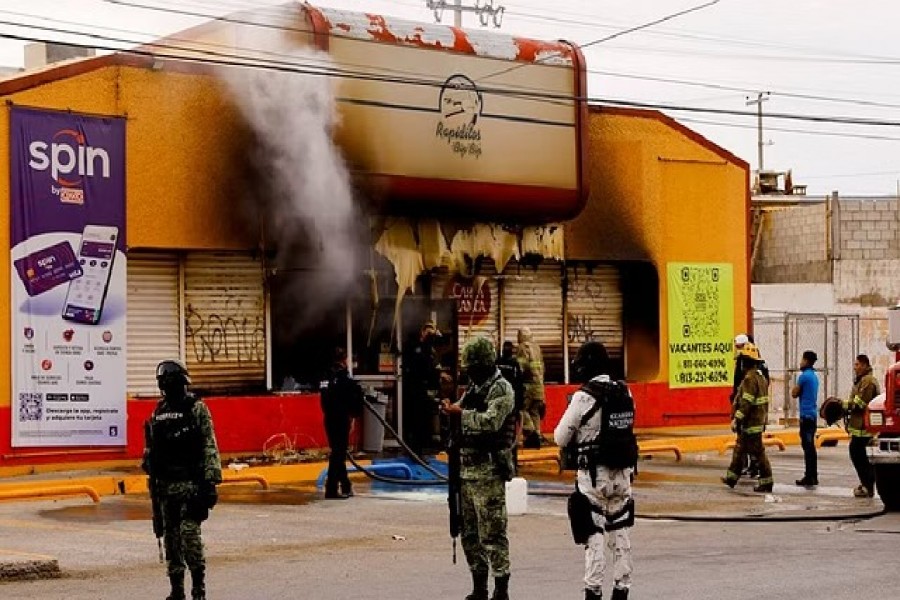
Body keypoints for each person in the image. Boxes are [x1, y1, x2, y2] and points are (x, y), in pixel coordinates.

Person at [554, 341, 636, 600]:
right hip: (623, 473)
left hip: (594, 476)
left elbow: (560, 437)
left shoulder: (583, 396)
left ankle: (594, 591)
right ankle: (622, 588)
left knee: (594, 535)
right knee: (621, 532)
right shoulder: (625, 392)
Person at [441, 337, 516, 600]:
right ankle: (479, 587)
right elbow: (460, 410)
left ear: (485, 364)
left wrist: (460, 415)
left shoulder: (501, 388)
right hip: (466, 470)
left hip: (489, 470)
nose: (469, 372)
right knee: (469, 533)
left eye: (472, 367)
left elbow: (492, 421)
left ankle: (501, 590)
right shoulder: (474, 387)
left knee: (493, 533)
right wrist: (451, 409)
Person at [143, 360, 221, 600]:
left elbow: (209, 445)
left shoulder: (196, 408)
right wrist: (149, 462)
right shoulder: (159, 411)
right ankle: (176, 590)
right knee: (171, 541)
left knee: (189, 537)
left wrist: (210, 483)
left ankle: (199, 589)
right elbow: (152, 449)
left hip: (190, 485)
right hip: (166, 487)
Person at [722, 343, 774, 493]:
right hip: (756, 421)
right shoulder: (760, 378)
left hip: (750, 423)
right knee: (739, 450)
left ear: (746, 362)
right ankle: (731, 478)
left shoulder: (750, 379)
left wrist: (737, 419)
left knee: (758, 453)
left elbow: (746, 402)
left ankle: (767, 482)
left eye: (742, 361)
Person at [321, 347, 364, 499]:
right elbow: (353, 399)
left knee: (338, 453)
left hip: (329, 419)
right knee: (338, 454)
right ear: (344, 360)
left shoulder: (326, 377)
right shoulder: (344, 378)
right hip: (341, 419)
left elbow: (324, 400)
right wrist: (353, 415)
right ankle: (331, 489)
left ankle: (345, 485)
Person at [402, 320, 443, 456]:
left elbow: (432, 364)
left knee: (425, 422)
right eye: (427, 329)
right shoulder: (415, 346)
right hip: (414, 390)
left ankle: (422, 449)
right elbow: (420, 366)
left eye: (431, 329)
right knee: (416, 422)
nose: (429, 332)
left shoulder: (430, 347)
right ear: (422, 331)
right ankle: (415, 451)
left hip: (426, 390)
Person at [844, 354, 878, 498]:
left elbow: (860, 404)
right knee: (858, 455)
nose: (855, 367)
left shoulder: (868, 381)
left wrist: (842, 405)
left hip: (864, 428)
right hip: (859, 427)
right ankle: (866, 484)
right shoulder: (862, 380)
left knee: (860, 456)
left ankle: (868, 485)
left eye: (857, 364)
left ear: (864, 365)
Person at [792, 350, 820, 487]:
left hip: (805, 416)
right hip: (813, 415)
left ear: (806, 361)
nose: (800, 362)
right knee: (811, 447)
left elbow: (794, 393)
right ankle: (813, 475)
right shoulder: (814, 376)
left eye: (802, 359)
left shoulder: (803, 377)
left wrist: (796, 387)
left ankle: (809, 476)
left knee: (807, 447)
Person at [516, 327, 546, 449]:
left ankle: (531, 432)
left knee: (522, 409)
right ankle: (537, 436)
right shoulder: (537, 348)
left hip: (528, 386)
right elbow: (542, 368)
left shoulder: (523, 348)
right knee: (535, 411)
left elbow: (521, 367)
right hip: (539, 385)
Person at [496, 340, 525, 457]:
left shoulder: (496, 363)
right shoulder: (514, 365)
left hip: (498, 404)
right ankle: (511, 458)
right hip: (510, 405)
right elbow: (519, 385)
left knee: (498, 433)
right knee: (510, 434)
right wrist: (519, 405)